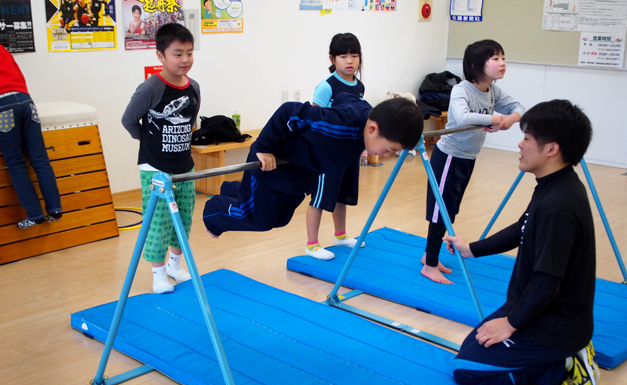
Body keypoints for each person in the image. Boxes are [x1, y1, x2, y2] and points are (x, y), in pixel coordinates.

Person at [445, 99, 600, 385]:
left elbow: (547, 283)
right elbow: (522, 227)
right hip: (534, 308)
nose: (520, 144)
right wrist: (471, 249)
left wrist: (510, 323)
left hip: (555, 324)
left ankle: (564, 365)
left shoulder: (559, 205)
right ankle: (554, 353)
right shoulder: (554, 184)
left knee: (467, 370)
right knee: (470, 348)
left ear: (551, 149)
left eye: (527, 138)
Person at [203, 95, 424, 239]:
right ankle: (213, 212)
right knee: (259, 219)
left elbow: (345, 97)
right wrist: (263, 147)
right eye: (388, 149)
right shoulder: (338, 125)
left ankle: (234, 189)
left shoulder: (365, 119)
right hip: (273, 166)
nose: (386, 155)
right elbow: (289, 111)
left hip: (300, 175)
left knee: (280, 219)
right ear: (373, 129)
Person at [422, 39, 525, 284]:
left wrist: (510, 119)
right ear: (477, 64)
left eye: (503, 58)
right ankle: (430, 265)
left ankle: (429, 255)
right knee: (440, 211)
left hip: (468, 157)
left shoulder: (493, 91)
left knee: (450, 210)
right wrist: (496, 119)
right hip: (449, 156)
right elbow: (462, 117)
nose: (502, 63)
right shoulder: (462, 90)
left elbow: (519, 107)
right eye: (496, 59)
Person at [122, 23, 200, 294]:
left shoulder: (194, 87)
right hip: (155, 168)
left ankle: (174, 266)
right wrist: (146, 141)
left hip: (185, 165)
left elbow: (191, 121)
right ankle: (158, 274)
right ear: (160, 56)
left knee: (184, 219)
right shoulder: (150, 87)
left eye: (189, 53)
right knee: (158, 222)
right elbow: (129, 120)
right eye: (177, 54)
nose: (185, 59)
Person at [306, 33, 366, 261]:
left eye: (354, 56)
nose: (349, 61)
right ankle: (311, 244)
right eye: (343, 56)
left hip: (349, 151)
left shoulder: (359, 86)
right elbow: (313, 119)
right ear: (332, 59)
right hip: (328, 154)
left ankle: (340, 235)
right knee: (320, 198)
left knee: (342, 195)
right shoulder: (326, 86)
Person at [0, 45, 63, 229]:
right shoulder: (2, 48)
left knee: (16, 164)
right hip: (26, 102)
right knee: (40, 159)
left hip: (3, 107)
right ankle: (55, 209)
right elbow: (19, 75)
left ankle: (35, 215)